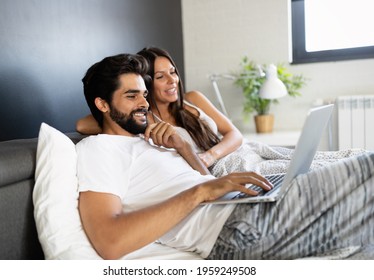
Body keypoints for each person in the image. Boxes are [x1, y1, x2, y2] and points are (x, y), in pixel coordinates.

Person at [77, 53, 374, 260]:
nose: (144, 103)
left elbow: (205, 180)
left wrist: (182, 148)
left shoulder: (151, 140)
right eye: (132, 96)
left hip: (247, 201)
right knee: (369, 171)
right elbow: (110, 241)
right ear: (102, 104)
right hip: (234, 229)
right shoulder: (98, 149)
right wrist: (201, 192)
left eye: (143, 94)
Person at [76, 47, 243, 169]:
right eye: (160, 76)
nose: (172, 80)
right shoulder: (145, 119)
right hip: (208, 170)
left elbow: (235, 134)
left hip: (231, 155)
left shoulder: (193, 98)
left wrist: (211, 155)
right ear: (147, 82)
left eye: (173, 72)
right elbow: (82, 125)